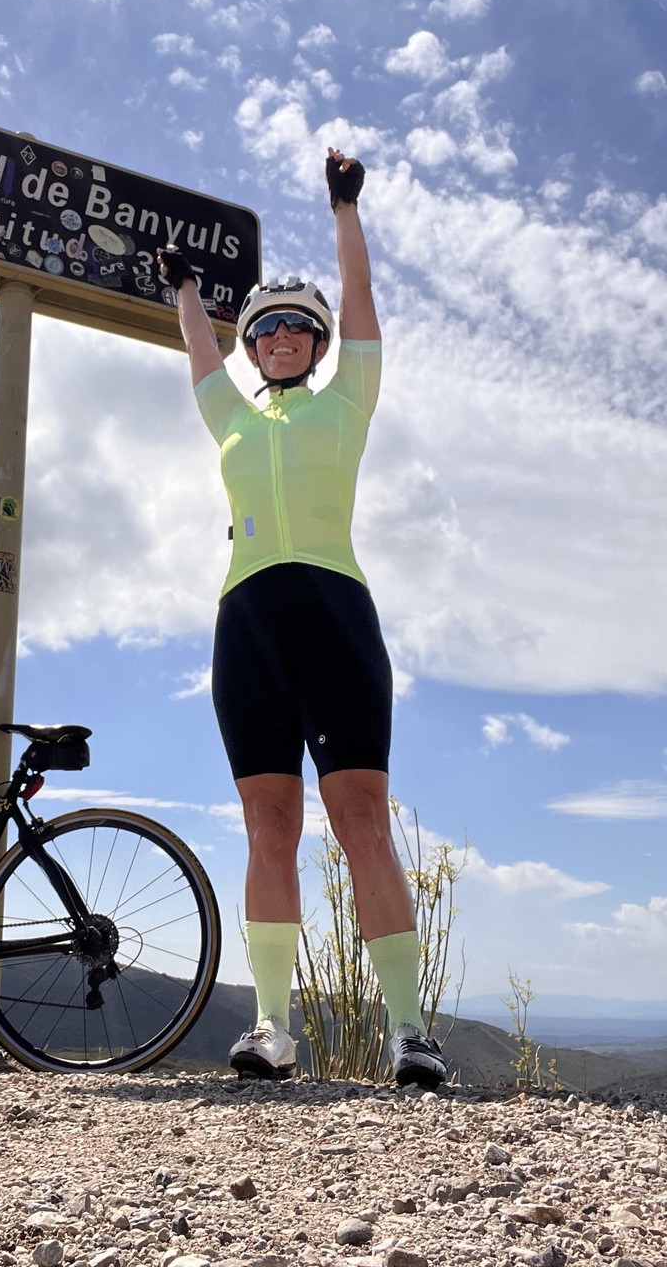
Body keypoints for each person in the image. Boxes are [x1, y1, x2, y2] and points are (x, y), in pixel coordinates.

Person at [157, 149, 446, 1090]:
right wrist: (187, 289)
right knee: (266, 823)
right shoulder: (231, 418)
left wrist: (343, 207)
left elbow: (359, 291)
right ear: (255, 346)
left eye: (299, 326)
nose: (282, 334)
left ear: (319, 344)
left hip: (333, 613)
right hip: (245, 623)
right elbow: (197, 346)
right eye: (268, 326)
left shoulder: (348, 399)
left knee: (361, 817)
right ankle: (272, 1029)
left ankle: (409, 1031)